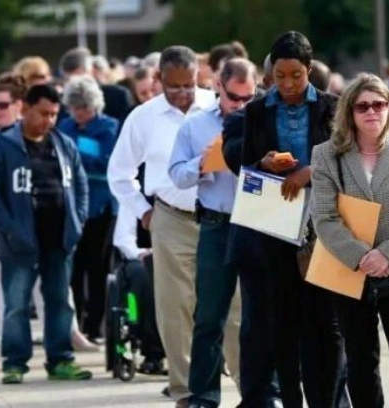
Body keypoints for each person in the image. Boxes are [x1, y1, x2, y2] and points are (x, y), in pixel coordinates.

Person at [231, 31, 346, 408]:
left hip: (325, 220)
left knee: (325, 323)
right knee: (283, 320)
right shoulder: (257, 110)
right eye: (280, 76)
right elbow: (246, 164)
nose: (288, 84)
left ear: (309, 70)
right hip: (277, 221)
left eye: (295, 75)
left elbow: (346, 158)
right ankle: (291, 401)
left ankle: (327, 400)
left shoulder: (332, 106)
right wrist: (264, 164)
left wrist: (309, 172)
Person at [311, 73, 389, 407]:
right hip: (350, 273)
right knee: (362, 362)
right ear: (350, 112)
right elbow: (323, 216)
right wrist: (362, 256)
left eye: (379, 104)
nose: (372, 112)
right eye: (363, 106)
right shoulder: (326, 155)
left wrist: (388, 255)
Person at [107, 45, 215, 408]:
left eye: (190, 84)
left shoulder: (216, 107)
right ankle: (184, 389)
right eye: (174, 86)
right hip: (170, 218)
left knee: (230, 303)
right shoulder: (143, 117)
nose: (183, 93)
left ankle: (249, 384)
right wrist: (143, 212)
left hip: (218, 216)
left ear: (199, 75)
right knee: (175, 307)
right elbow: (119, 174)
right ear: (158, 80)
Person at [0, 84, 92, 384]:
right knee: (17, 303)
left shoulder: (64, 144)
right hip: (19, 240)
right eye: (43, 113)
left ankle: (60, 359)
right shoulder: (1, 146)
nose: (49, 120)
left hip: (59, 239)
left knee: (59, 300)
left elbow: (81, 185)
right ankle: (14, 363)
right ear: (26, 109)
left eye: (54, 114)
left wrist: (78, 221)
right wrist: (10, 228)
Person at [168, 57, 257, 407]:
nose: (241, 106)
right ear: (219, 87)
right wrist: (203, 164)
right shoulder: (196, 126)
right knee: (209, 316)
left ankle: (264, 392)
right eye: (235, 98)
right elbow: (176, 174)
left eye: (249, 98)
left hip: (257, 224)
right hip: (217, 223)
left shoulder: (264, 118)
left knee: (260, 314)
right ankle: (203, 396)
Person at [57, 75, 119, 343]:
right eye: (73, 108)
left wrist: (78, 156)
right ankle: (75, 324)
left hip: (102, 207)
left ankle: (96, 325)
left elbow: (108, 162)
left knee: (97, 267)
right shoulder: (64, 125)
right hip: (70, 206)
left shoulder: (110, 127)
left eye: (83, 107)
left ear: (94, 106)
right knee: (74, 267)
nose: (78, 113)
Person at [112, 204, 166, 374]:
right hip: (139, 258)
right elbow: (123, 239)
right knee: (144, 274)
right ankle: (153, 352)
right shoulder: (134, 197)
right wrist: (142, 253)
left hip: (177, 255)